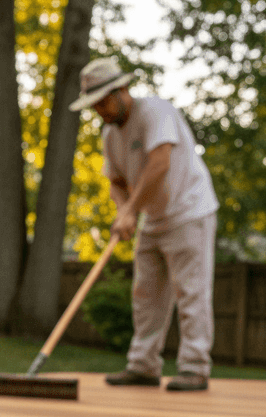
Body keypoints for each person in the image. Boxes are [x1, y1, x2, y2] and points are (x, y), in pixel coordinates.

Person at [69, 57, 219, 391]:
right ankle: (143, 366)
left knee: (191, 291)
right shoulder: (110, 134)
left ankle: (194, 367)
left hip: (188, 211)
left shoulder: (155, 112)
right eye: (94, 105)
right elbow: (116, 181)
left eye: (103, 102)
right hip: (152, 219)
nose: (100, 111)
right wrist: (124, 211)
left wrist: (131, 210)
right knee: (145, 294)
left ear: (122, 90)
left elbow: (159, 163)